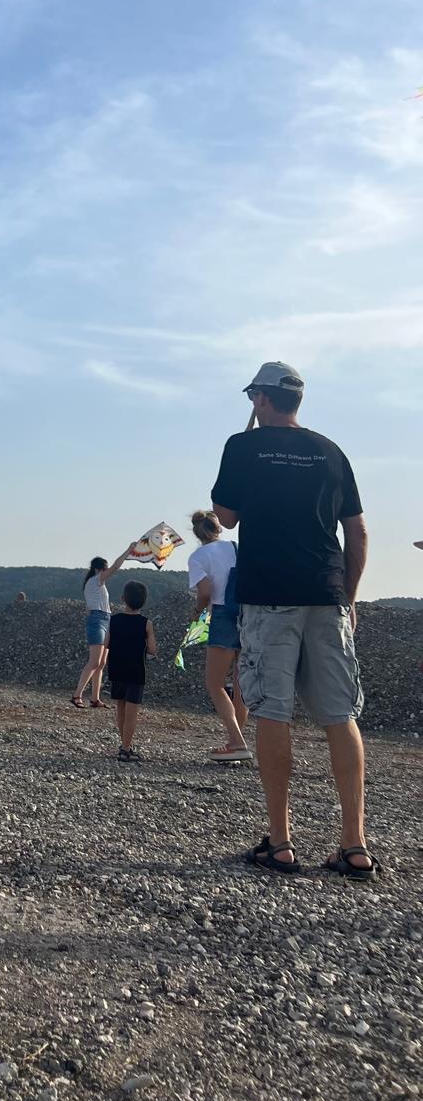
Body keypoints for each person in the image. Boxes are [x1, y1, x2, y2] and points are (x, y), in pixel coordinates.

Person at [211, 361, 376, 878]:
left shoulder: (243, 446)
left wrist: (246, 440)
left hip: (269, 597)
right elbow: (358, 532)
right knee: (339, 715)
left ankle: (280, 842)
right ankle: (354, 845)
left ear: (260, 399)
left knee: (273, 712)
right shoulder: (331, 451)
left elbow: (225, 516)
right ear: (298, 402)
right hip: (326, 595)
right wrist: (347, 597)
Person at [188, 510, 250, 762]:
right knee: (240, 683)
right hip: (247, 614)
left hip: (223, 615)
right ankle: (237, 742)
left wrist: (196, 613)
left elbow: (205, 592)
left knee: (214, 683)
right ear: (218, 529)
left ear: (196, 533)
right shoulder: (235, 547)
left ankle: (236, 742)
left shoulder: (198, 557)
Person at [71, 548, 132, 709]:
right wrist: (128, 551)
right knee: (94, 661)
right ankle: (77, 695)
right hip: (97, 620)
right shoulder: (95, 580)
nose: (107, 572)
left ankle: (95, 698)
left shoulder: (97, 583)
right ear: (99, 569)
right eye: (105, 569)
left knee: (101, 662)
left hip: (106, 619)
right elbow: (116, 567)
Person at [107, 579, 157, 761]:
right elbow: (152, 649)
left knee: (120, 707)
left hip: (117, 668)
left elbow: (106, 643)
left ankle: (124, 744)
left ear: (123, 599)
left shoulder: (114, 620)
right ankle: (126, 748)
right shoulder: (146, 623)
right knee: (132, 712)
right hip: (136, 671)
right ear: (144, 601)